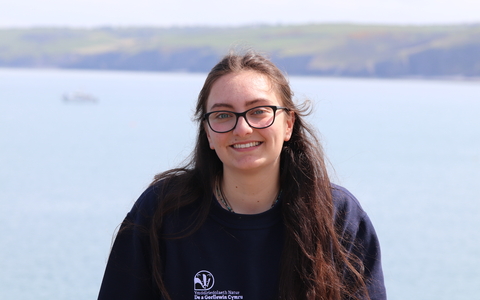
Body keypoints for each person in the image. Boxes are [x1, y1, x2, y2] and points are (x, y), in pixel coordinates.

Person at [98, 50, 387, 300]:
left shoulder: (338, 216)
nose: (243, 129)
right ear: (208, 133)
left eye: (259, 111)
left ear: (288, 124)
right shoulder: (160, 211)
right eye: (223, 115)